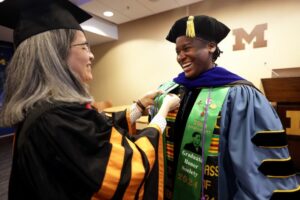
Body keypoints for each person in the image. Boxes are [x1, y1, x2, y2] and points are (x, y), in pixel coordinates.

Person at [0, 0, 180, 199]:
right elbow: (130, 167)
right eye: (85, 47)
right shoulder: (56, 117)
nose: (92, 55)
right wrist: (162, 113)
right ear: (56, 55)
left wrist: (138, 106)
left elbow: (95, 133)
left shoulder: (44, 110)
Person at [151, 15, 300, 199]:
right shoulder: (171, 90)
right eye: (177, 51)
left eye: (187, 48)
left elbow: (252, 166)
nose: (180, 57)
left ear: (211, 46)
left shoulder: (239, 95)